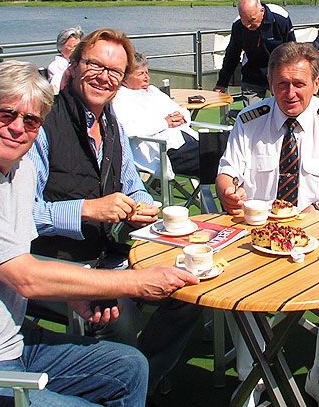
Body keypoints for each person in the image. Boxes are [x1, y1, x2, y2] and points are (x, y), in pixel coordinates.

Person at [0, 60, 198, 407]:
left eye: (31, 121)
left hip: (8, 341)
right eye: (6, 115)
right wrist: (137, 282)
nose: (17, 128)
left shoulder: (19, 173)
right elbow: (24, 278)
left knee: (129, 367)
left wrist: (70, 294)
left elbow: (11, 255)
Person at [26, 28, 200, 395]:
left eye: (114, 72)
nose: (104, 77)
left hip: (116, 255)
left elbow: (131, 183)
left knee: (190, 290)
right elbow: (23, 216)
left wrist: (143, 206)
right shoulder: (41, 125)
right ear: (72, 67)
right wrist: (87, 210)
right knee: (116, 316)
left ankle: (143, 381)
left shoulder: (110, 123)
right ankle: (128, 379)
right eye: (95, 65)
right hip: (60, 266)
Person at [216, 42, 319, 407]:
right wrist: (229, 191)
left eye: (298, 84)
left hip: (317, 230)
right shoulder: (250, 121)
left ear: (316, 82)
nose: (290, 93)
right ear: (269, 82)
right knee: (234, 285)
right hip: (259, 236)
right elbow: (226, 173)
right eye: (281, 84)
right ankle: (253, 379)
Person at [114, 52, 199, 178]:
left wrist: (180, 117)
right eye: (140, 74)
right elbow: (127, 129)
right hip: (167, 153)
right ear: (124, 78)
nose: (146, 78)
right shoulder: (119, 98)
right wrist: (165, 122)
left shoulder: (153, 91)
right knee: (220, 153)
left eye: (147, 73)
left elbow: (182, 111)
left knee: (229, 144)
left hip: (188, 141)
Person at [215, 0, 295, 105]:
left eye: (252, 20)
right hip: (252, 74)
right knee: (252, 116)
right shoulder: (238, 25)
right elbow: (232, 55)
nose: (248, 25)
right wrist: (222, 83)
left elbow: (292, 50)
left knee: (283, 111)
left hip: (279, 72)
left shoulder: (281, 18)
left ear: (262, 11)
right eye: (244, 21)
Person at [46, 26, 83, 92]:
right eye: (74, 47)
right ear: (61, 48)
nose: (78, 50)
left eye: (80, 46)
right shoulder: (56, 66)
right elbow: (56, 89)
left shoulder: (82, 63)